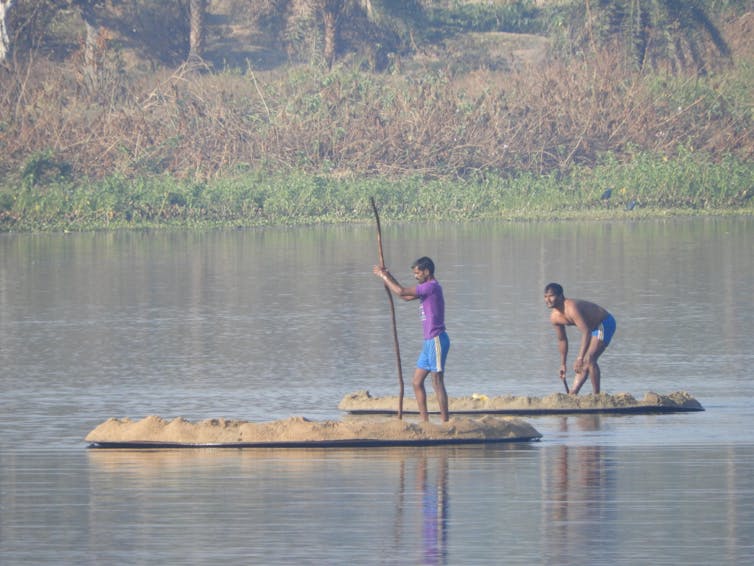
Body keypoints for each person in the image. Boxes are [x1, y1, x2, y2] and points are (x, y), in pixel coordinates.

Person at [373, 257, 450, 422]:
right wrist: (388, 275)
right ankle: (425, 422)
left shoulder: (431, 287)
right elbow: (405, 296)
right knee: (416, 382)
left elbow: (401, 291)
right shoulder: (425, 288)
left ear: (427, 271)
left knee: (436, 381)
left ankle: (445, 423)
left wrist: (383, 276)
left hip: (437, 339)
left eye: (418, 273)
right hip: (428, 342)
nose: (416, 276)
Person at [544, 282, 616, 395]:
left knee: (589, 359)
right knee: (584, 361)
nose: (548, 299)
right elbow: (562, 340)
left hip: (604, 323)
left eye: (551, 296)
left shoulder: (571, 308)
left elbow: (586, 332)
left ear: (560, 296)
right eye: (545, 297)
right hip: (592, 328)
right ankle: (573, 393)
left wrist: (579, 357)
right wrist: (563, 364)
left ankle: (597, 397)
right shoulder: (554, 318)